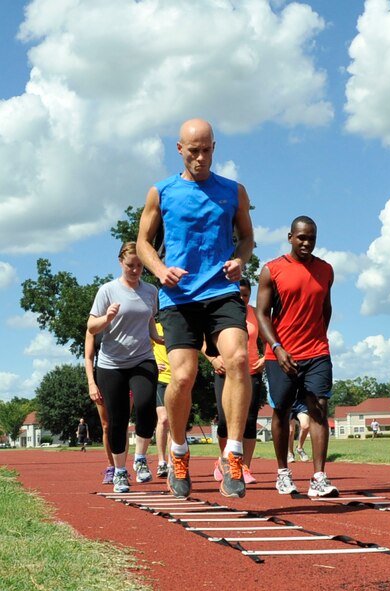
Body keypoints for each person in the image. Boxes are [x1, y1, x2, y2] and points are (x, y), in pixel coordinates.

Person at [137, 118, 255, 499]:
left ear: (214, 148)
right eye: (193, 151)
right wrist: (159, 270)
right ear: (179, 149)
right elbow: (143, 243)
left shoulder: (233, 191)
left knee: (238, 359)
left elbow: (247, 238)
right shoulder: (162, 192)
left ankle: (234, 456)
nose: (200, 157)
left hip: (221, 290)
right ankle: (179, 451)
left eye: (206, 150)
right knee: (183, 378)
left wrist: (241, 259)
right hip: (179, 296)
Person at [256, 216, 337, 498]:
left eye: (311, 238)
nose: (306, 243)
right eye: (301, 237)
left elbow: (326, 308)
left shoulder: (326, 270)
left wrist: (318, 340)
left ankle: (318, 478)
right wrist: (277, 347)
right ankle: (282, 473)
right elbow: (261, 314)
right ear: (290, 237)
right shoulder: (271, 270)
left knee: (319, 408)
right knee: (282, 411)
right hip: (281, 354)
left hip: (317, 352)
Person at [88, 241, 163, 493]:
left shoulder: (151, 291)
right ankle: (120, 471)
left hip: (143, 358)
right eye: (131, 265)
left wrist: (158, 337)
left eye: (140, 266)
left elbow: (149, 320)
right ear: (121, 262)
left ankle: (140, 459)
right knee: (118, 420)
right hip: (111, 364)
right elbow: (91, 328)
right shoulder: (107, 291)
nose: (135, 270)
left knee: (145, 406)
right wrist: (107, 318)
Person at [207, 279, 265, 486]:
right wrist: (213, 359)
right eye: (238, 294)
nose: (241, 298)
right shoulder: (219, 311)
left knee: (249, 422)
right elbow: (203, 340)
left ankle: (243, 467)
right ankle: (224, 461)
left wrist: (265, 358)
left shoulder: (256, 313)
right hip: (225, 372)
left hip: (251, 372)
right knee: (224, 421)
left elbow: (269, 336)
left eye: (245, 295)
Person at [84, 330, 118, 483]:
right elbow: (89, 357)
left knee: (121, 424)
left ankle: (121, 468)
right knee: (106, 426)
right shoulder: (94, 327)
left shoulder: (125, 319)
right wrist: (91, 383)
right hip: (102, 379)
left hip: (125, 377)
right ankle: (112, 467)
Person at [152, 321, 171, 477]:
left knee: (175, 422)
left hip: (178, 379)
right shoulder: (154, 327)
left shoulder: (180, 324)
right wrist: (153, 363)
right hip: (161, 379)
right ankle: (161, 462)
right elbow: (142, 348)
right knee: (164, 419)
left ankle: (173, 462)